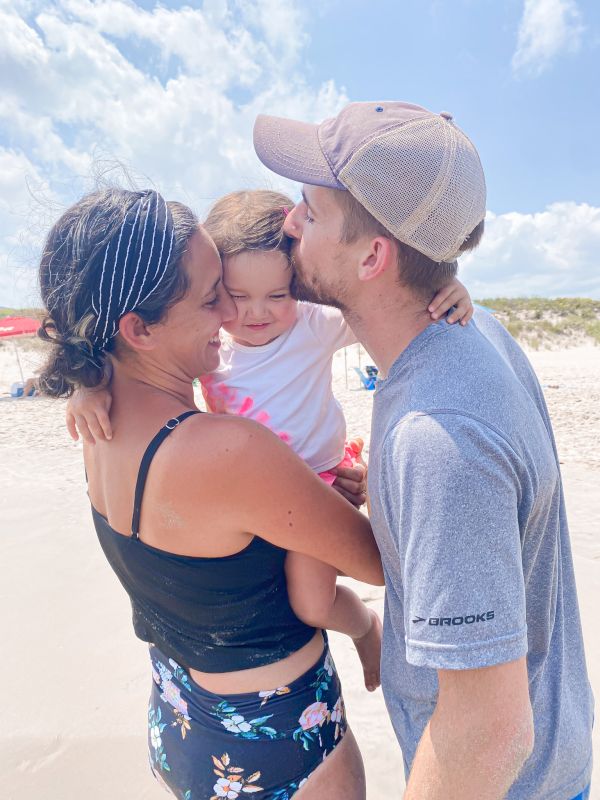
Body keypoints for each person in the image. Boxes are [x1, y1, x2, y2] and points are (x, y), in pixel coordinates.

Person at [252, 101, 594, 799]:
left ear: (373, 256)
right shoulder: (475, 332)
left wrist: (418, 479)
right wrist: (389, 494)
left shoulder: (438, 439)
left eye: (311, 213)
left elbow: (491, 734)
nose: (289, 222)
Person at [37, 187, 385, 799]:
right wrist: (359, 495)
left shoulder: (98, 423)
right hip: (277, 744)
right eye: (211, 296)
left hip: (178, 719)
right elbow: (380, 563)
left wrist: (83, 385)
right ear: (138, 327)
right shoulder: (230, 451)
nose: (231, 315)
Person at [65, 187, 475, 693]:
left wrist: (446, 285)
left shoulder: (307, 327)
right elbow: (379, 564)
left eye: (277, 295)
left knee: (311, 601)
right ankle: (367, 625)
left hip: (319, 479)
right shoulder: (217, 358)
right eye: (225, 295)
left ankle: (365, 628)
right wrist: (86, 386)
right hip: (267, 507)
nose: (248, 313)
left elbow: (389, 301)